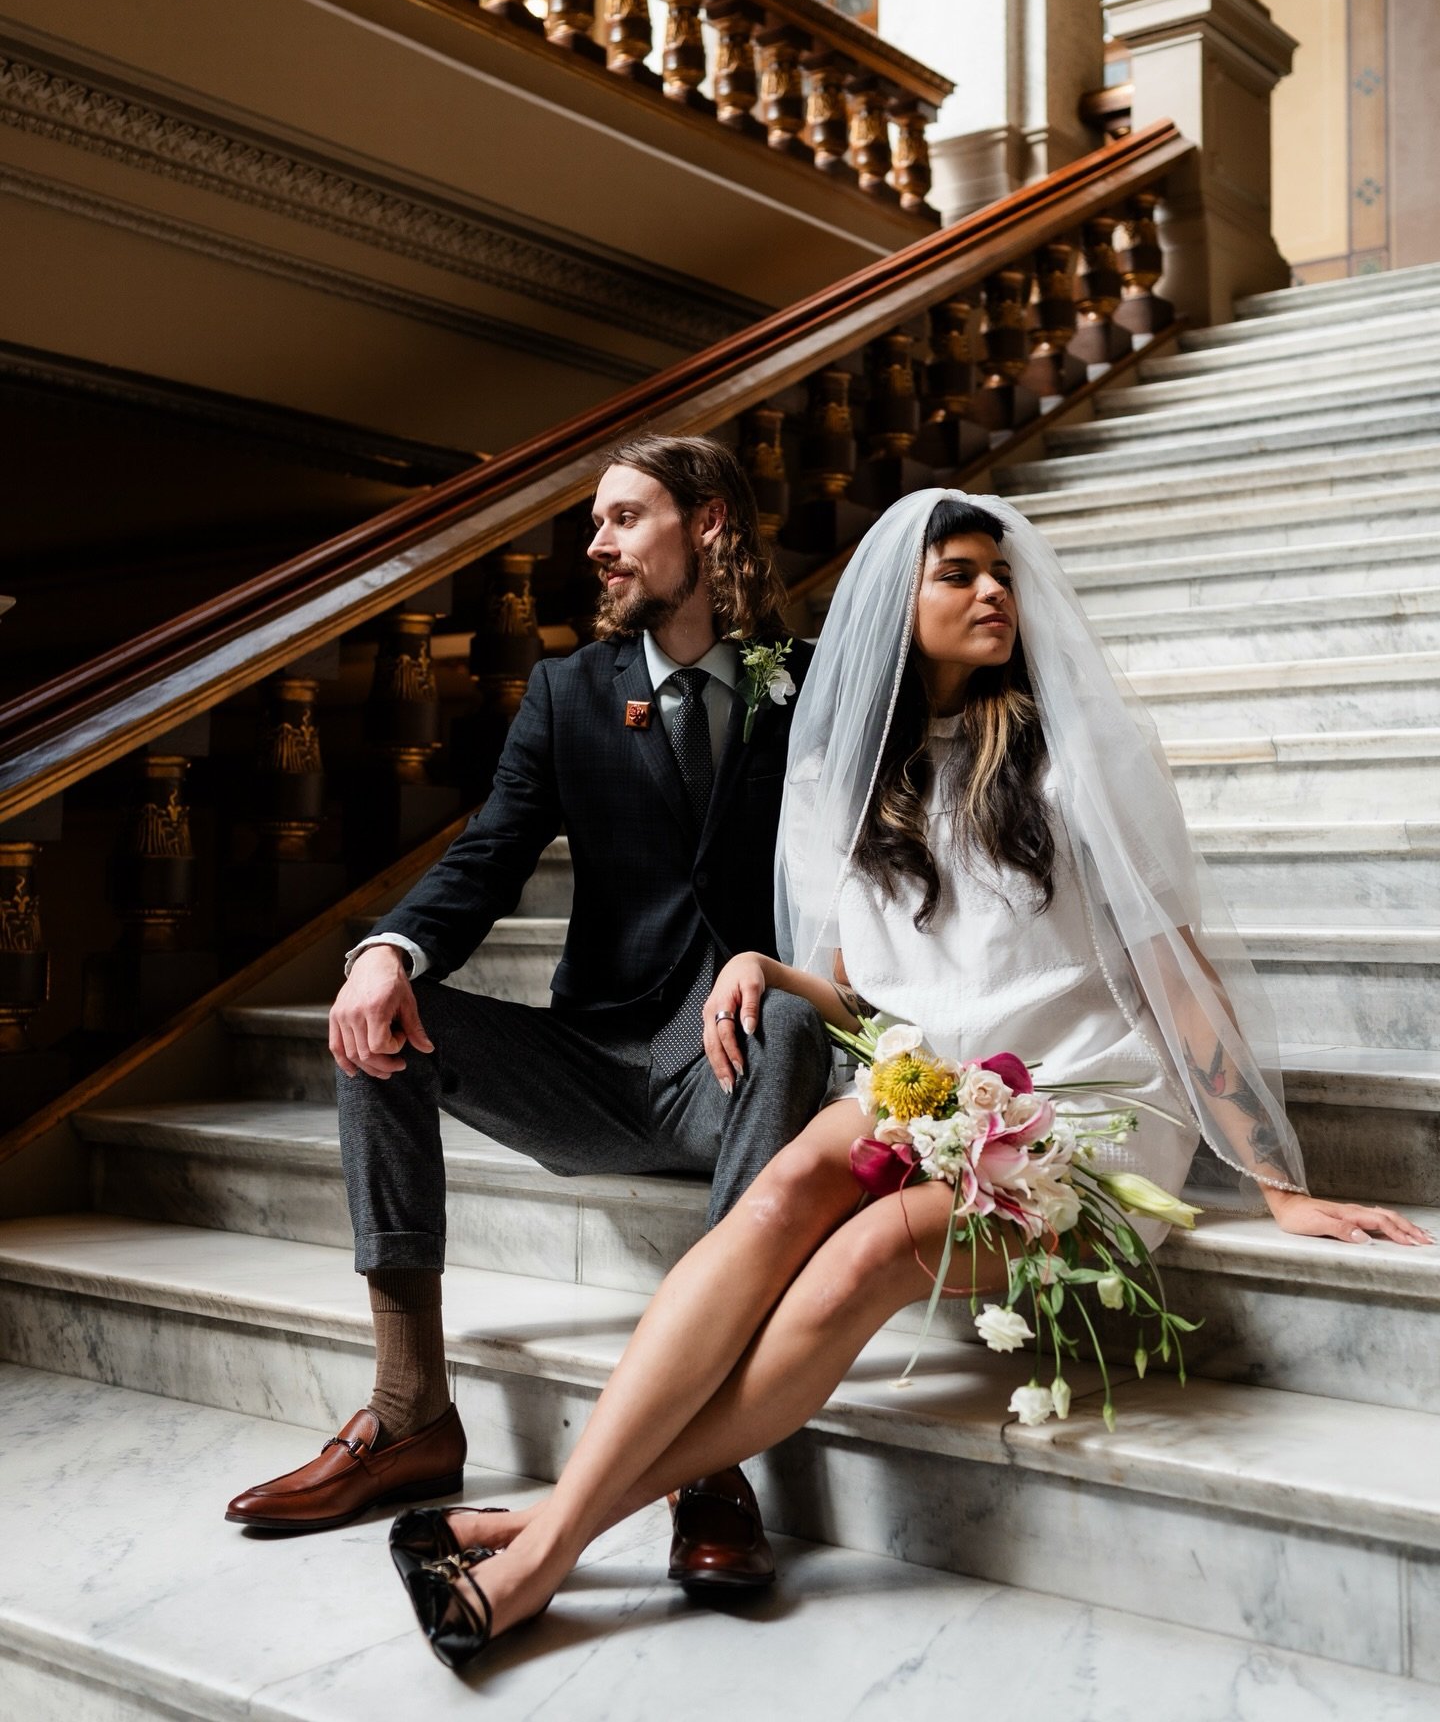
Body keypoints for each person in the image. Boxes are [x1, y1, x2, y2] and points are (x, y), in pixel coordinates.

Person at [388, 487, 1433, 1671]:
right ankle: (551, 1526)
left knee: (869, 1253)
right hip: (933, 1091)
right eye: (959, 575)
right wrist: (766, 969)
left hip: (1083, 1109)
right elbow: (871, 1005)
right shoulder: (842, 775)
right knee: (785, 1189)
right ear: (900, 604)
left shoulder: (1075, 757)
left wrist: (1274, 1176)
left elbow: (1177, 978)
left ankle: (543, 1542)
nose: (993, 591)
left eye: (1000, 573)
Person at [224, 436, 833, 1591]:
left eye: (622, 518)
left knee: (789, 1027)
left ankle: (707, 1457)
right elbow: (491, 853)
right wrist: (387, 952)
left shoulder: (798, 678)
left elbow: (868, 870)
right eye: (594, 525)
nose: (595, 546)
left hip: (739, 1071)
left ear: (707, 523)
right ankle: (409, 1413)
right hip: (595, 1066)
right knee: (382, 1028)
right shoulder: (568, 692)